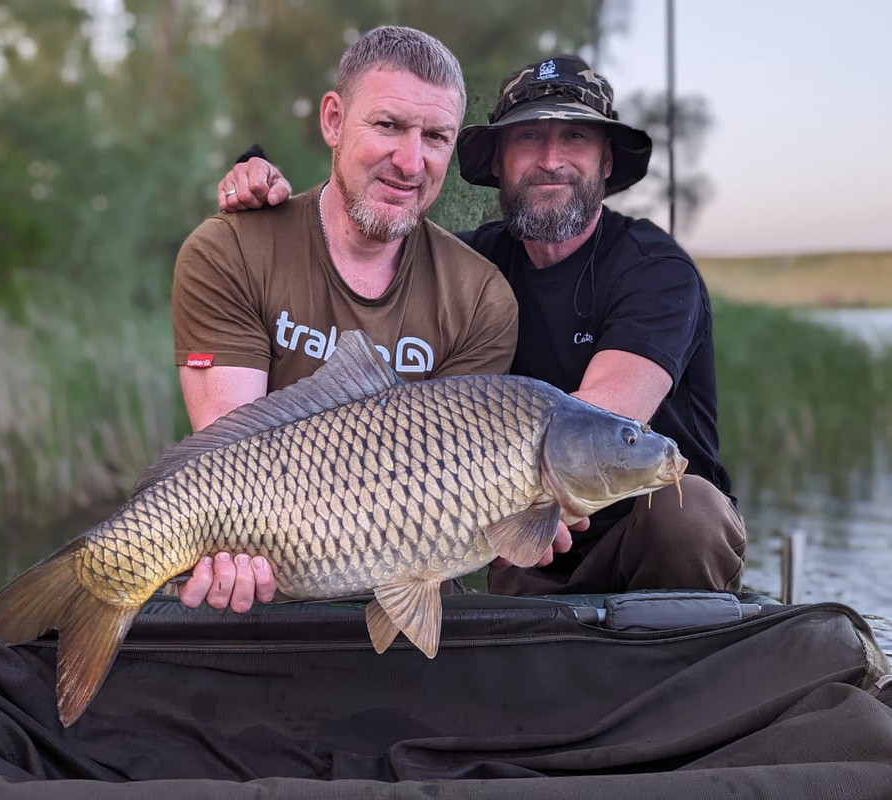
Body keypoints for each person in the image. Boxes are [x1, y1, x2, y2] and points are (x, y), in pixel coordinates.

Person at [214, 53, 746, 599]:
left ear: (606, 162)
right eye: (527, 140)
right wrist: (267, 199)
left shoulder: (655, 270)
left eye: (575, 139)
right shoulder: (470, 270)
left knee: (690, 513)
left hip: (648, 542)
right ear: (497, 161)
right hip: (520, 550)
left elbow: (603, 425)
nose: (550, 160)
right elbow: (358, 247)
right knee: (492, 552)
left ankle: (679, 670)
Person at [171, 26, 526, 612]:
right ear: (334, 120)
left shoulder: (482, 297)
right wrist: (227, 554)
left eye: (434, 136)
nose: (411, 162)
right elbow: (227, 470)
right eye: (387, 126)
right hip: (263, 581)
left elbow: (451, 499)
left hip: (412, 593)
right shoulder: (230, 249)